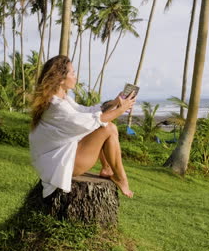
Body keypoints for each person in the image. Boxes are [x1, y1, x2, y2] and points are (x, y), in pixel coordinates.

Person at [29, 55, 135, 199]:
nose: (76, 77)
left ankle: (107, 169)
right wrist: (120, 110)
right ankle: (121, 178)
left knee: (104, 126)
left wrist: (116, 102)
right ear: (61, 79)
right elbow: (89, 121)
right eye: (72, 73)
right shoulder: (56, 106)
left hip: (60, 158)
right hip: (62, 165)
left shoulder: (62, 99)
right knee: (109, 128)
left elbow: (87, 112)